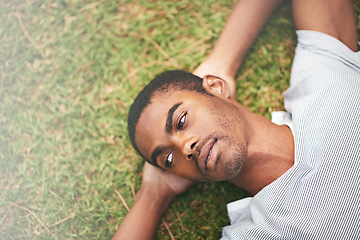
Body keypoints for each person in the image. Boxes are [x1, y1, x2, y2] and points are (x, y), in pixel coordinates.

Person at [113, 0, 360, 239]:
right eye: (168, 158)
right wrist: (154, 194)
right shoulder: (257, 233)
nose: (184, 147)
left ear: (217, 87)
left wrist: (223, 60)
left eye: (181, 121)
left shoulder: (325, 82)